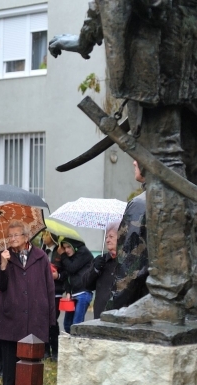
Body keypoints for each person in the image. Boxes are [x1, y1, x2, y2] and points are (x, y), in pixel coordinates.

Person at [50, 1, 197, 324]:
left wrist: (86, 38)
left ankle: (168, 294)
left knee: (165, 169)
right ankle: (189, 294)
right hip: (187, 52)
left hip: (158, 59)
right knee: (186, 169)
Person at [0, 220, 56, 385]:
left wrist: (51, 318)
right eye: (10, 235)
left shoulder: (40, 256)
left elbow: (49, 288)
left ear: (26, 237)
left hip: (35, 313)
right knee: (9, 355)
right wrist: (3, 265)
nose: (12, 239)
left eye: (16, 235)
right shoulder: (3, 256)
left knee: (32, 354)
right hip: (11, 314)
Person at [106, 160, 148, 312]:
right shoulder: (186, 201)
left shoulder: (141, 204)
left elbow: (129, 272)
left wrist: (111, 312)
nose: (134, 162)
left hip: (144, 308)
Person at [82, 222, 120, 319]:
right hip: (100, 315)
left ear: (120, 237)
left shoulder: (127, 261)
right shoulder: (101, 260)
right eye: (106, 237)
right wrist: (95, 269)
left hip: (120, 315)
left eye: (111, 236)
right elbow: (86, 284)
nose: (107, 240)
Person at [58, 238, 94, 333]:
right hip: (73, 294)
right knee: (67, 324)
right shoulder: (69, 258)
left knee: (76, 325)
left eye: (69, 247)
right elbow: (67, 275)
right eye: (64, 248)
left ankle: (76, 341)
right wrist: (68, 291)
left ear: (74, 246)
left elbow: (72, 268)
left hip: (83, 292)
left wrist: (63, 255)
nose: (66, 250)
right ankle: (71, 341)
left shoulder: (83, 252)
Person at [41, 230, 66, 360]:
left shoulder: (60, 251)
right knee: (43, 321)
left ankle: (55, 351)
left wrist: (59, 276)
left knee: (53, 321)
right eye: (43, 234)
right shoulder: (41, 251)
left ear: (52, 236)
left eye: (46, 234)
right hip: (42, 291)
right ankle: (45, 350)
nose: (43, 237)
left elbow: (67, 271)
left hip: (56, 291)